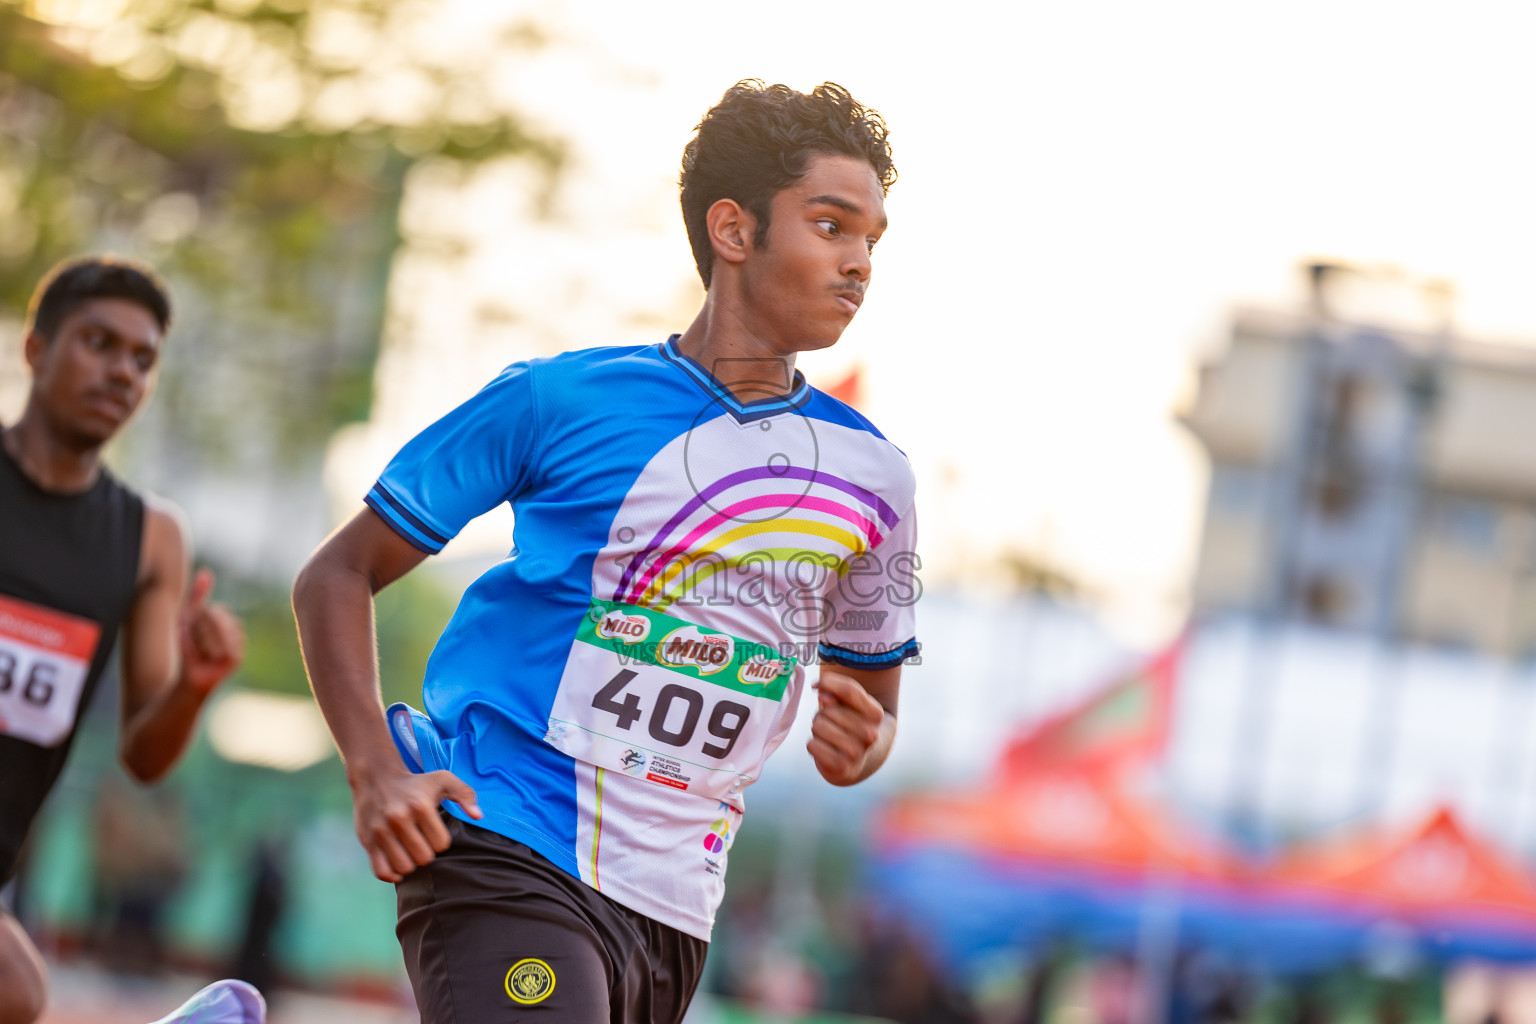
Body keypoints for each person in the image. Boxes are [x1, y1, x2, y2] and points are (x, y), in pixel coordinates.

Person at [293, 79, 918, 1024]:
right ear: (734, 231)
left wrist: (867, 743)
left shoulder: (877, 481)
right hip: (504, 835)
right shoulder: (556, 402)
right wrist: (374, 769)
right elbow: (337, 572)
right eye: (832, 226)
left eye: (873, 239)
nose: (861, 263)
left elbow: (866, 723)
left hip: (673, 907)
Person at [0, 256, 250, 1024]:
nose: (122, 373)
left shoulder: (150, 539)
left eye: (142, 360)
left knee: (17, 993)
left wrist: (194, 686)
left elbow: (144, 757)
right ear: (37, 350)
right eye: (98, 343)